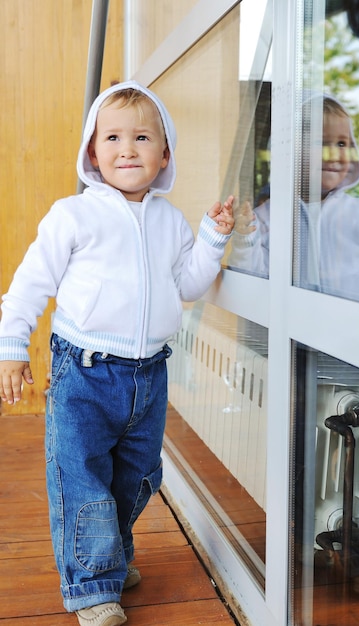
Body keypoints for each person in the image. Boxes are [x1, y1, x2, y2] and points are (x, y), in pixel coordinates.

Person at [0, 80, 234, 626]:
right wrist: (12, 347)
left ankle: (105, 553)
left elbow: (190, 284)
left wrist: (212, 238)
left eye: (142, 137)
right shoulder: (73, 216)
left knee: (137, 475)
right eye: (112, 137)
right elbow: (29, 284)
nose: (127, 149)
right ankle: (92, 584)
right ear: (92, 151)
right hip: (84, 373)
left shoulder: (170, 220)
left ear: (164, 153)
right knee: (81, 477)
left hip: (149, 375)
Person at [229, 92, 359, 599]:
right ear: (290, 152)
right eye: (325, 142)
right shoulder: (271, 217)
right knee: (307, 458)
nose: (339, 152)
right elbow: (252, 281)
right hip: (303, 363)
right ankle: (307, 543)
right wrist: (244, 237)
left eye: (345, 142)